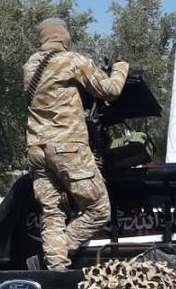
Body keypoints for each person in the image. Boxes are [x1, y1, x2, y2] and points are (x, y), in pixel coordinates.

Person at [24, 17, 128, 271]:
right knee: (99, 209)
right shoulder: (71, 60)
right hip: (68, 147)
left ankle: (56, 270)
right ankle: (58, 250)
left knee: (53, 214)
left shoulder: (30, 66)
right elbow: (110, 90)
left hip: (37, 150)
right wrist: (121, 67)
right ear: (64, 37)